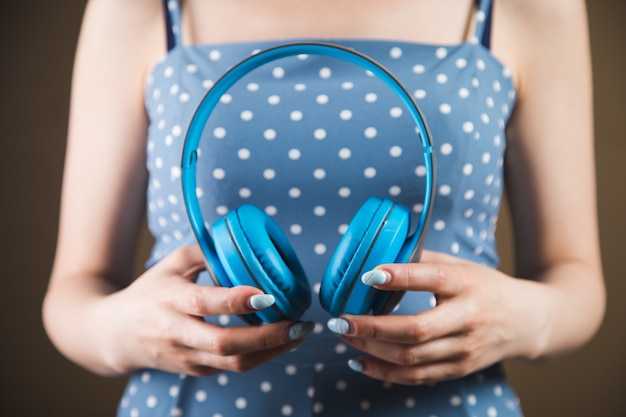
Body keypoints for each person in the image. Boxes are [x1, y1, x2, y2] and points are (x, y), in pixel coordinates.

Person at [43, 0, 605, 416]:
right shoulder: (139, 9)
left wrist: (525, 321)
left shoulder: (528, 7)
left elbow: (576, 279)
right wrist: (121, 328)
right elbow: (74, 292)